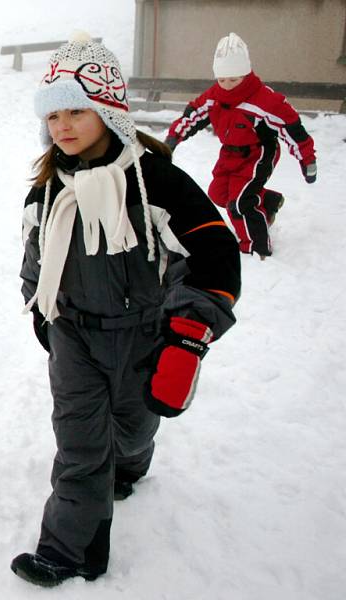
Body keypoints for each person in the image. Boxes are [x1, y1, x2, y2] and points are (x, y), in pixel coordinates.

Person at [12, 33, 241, 587]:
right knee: (81, 445)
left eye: (76, 111)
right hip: (74, 337)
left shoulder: (158, 183)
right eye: (53, 115)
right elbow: (35, 257)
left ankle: (133, 462)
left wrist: (186, 337)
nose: (62, 126)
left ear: (108, 110)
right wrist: (40, 312)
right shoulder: (45, 190)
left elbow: (214, 257)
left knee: (134, 429)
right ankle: (68, 550)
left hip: (144, 332)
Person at [165, 32, 317, 259]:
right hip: (230, 152)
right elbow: (193, 115)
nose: (226, 85)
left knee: (240, 203)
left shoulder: (264, 100)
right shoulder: (215, 96)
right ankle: (269, 201)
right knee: (218, 194)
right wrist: (173, 138)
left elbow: (292, 129)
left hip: (258, 153)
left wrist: (307, 159)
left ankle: (255, 246)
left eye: (233, 79)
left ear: (246, 73)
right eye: (222, 79)